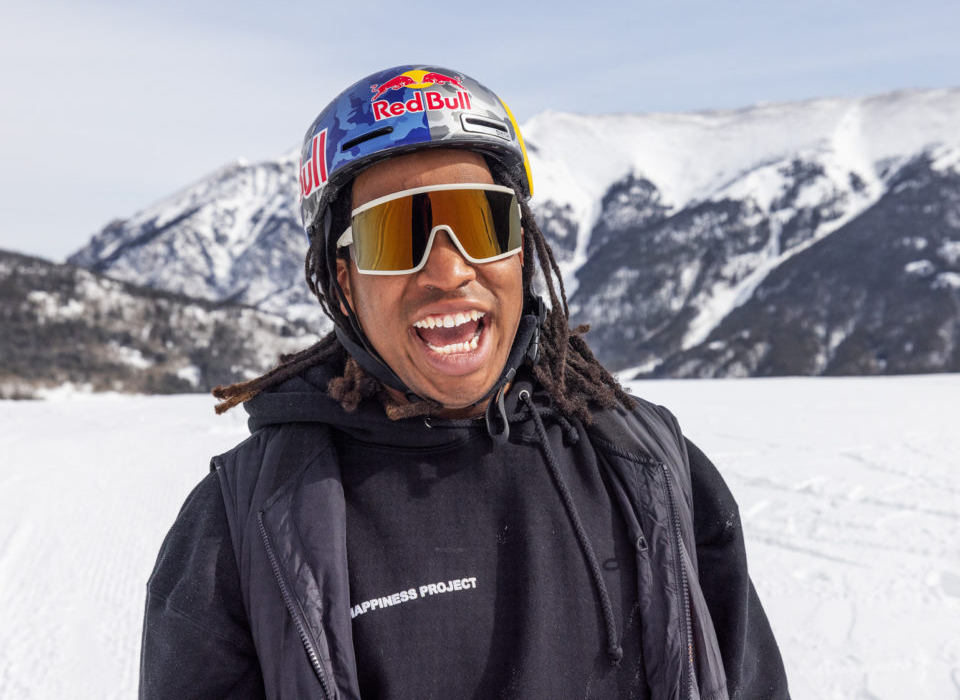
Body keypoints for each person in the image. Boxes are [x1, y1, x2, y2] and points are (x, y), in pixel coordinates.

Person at [140, 65, 790, 700]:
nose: (448, 269)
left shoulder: (646, 459)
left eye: (483, 223)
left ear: (522, 250)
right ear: (345, 284)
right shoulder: (250, 520)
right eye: (396, 235)